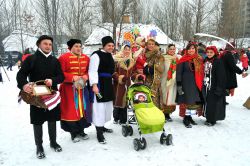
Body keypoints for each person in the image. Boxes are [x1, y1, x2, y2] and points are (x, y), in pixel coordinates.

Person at [16, 35, 64, 159]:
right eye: (45, 44)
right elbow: (21, 75)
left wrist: (52, 80)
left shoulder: (55, 60)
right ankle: (39, 146)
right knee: (37, 121)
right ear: (39, 45)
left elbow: (61, 77)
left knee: (52, 119)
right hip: (36, 97)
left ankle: (53, 142)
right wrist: (24, 85)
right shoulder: (31, 59)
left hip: (52, 96)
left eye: (50, 44)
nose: (48, 46)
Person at [58, 39, 91, 143]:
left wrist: (86, 76)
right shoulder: (63, 58)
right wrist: (72, 77)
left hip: (82, 89)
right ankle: (73, 133)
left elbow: (89, 71)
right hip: (68, 89)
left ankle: (81, 130)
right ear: (70, 48)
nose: (78, 48)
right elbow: (60, 73)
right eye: (76, 46)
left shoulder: (86, 58)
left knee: (83, 110)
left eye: (80, 46)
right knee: (71, 111)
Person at [88, 36, 115, 144]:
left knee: (106, 106)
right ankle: (99, 133)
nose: (111, 47)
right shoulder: (96, 55)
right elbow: (92, 71)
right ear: (104, 45)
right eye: (109, 45)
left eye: (112, 45)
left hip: (108, 84)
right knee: (99, 107)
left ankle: (102, 126)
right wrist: (94, 85)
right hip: (99, 85)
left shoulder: (110, 55)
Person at [176, 42, 204, 128]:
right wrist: (179, 84)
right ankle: (186, 118)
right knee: (187, 100)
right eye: (189, 48)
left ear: (195, 49)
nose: (191, 50)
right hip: (186, 84)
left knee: (193, 101)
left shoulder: (199, 58)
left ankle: (190, 117)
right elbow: (179, 73)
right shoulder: (183, 59)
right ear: (186, 50)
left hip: (196, 84)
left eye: (193, 48)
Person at [203, 46, 226, 126]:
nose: (209, 54)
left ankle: (212, 119)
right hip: (207, 85)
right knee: (208, 103)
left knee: (213, 103)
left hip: (214, 86)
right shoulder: (205, 60)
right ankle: (208, 117)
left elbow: (221, 76)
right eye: (208, 52)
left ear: (215, 53)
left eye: (211, 52)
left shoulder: (218, 61)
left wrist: (219, 88)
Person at [113, 45, 135, 124]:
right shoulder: (117, 60)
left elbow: (133, 73)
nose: (127, 51)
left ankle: (124, 119)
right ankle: (116, 118)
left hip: (128, 83)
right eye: (125, 49)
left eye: (128, 50)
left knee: (127, 100)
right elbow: (113, 72)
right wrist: (119, 78)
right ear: (122, 50)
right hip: (119, 85)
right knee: (118, 100)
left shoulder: (132, 61)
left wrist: (137, 76)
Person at [142, 39, 165, 110]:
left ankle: (155, 116)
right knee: (144, 98)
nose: (151, 45)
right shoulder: (144, 54)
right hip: (144, 80)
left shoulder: (158, 55)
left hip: (154, 81)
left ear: (155, 45)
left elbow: (160, 68)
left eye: (152, 44)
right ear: (146, 45)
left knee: (154, 99)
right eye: (149, 44)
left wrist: (149, 70)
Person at [161, 44, 178, 122]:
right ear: (167, 50)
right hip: (164, 80)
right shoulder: (163, 58)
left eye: (173, 49)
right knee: (164, 97)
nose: (172, 50)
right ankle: (162, 114)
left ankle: (168, 114)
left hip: (173, 82)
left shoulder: (177, 58)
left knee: (171, 98)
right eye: (170, 49)